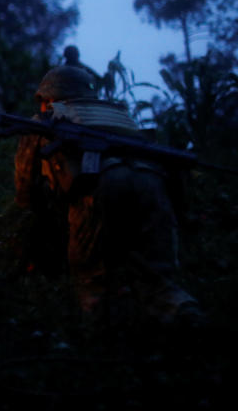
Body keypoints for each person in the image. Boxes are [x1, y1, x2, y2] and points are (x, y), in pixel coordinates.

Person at [13, 65, 198, 325]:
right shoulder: (116, 113)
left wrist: (30, 218)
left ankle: (106, 353)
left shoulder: (47, 118)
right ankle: (187, 323)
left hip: (97, 188)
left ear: (48, 97)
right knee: (158, 282)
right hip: (151, 184)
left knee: (93, 283)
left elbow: (25, 189)